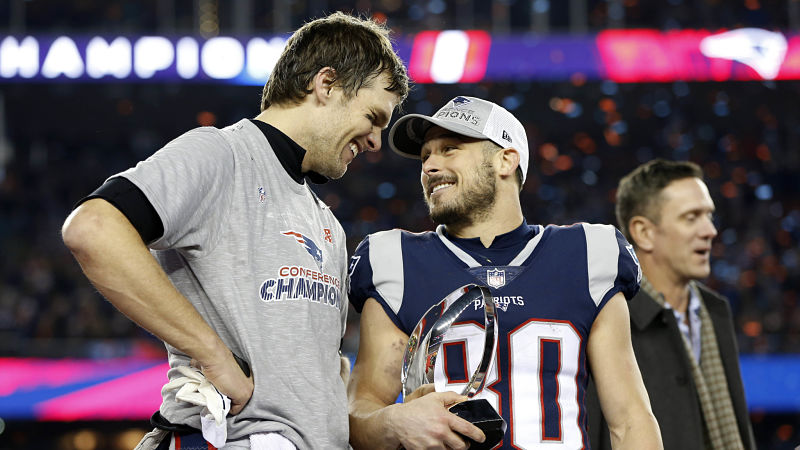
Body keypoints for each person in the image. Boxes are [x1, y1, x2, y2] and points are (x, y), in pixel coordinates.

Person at [61, 12, 408, 449]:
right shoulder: (222, 154)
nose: (376, 141)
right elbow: (94, 228)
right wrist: (211, 353)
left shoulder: (327, 223)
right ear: (326, 84)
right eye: (373, 117)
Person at [346, 96, 662, 449]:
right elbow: (359, 413)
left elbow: (630, 419)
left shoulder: (588, 253)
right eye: (425, 156)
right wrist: (394, 421)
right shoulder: (397, 261)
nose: (430, 166)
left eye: (449, 149)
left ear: (506, 160)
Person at [586, 159, 756, 450]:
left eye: (709, 216)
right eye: (692, 217)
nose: (710, 231)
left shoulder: (715, 311)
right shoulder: (607, 317)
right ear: (644, 232)